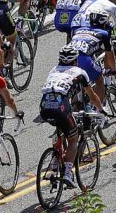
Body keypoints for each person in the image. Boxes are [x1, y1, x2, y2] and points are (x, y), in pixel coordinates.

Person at [37, 49, 104, 190]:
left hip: (44, 107)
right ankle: (67, 173)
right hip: (61, 106)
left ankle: (55, 160)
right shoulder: (79, 72)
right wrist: (101, 110)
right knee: (73, 139)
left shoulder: (53, 69)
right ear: (75, 60)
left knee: (59, 128)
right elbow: (92, 96)